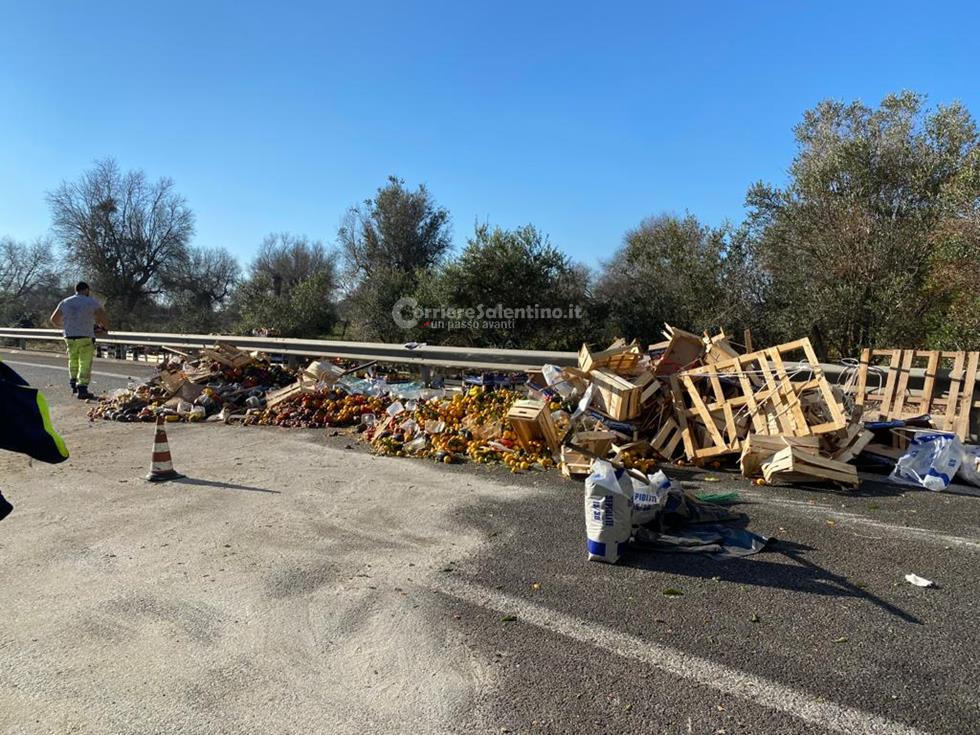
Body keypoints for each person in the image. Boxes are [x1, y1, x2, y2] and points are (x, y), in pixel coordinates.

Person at [50, 282, 109, 400]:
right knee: (84, 362)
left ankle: (73, 384)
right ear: (87, 290)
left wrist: (65, 326)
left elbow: (54, 319)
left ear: (76, 290)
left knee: (73, 360)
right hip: (85, 336)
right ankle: (82, 388)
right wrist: (105, 328)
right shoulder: (91, 302)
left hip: (69, 336)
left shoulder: (65, 302)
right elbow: (102, 316)